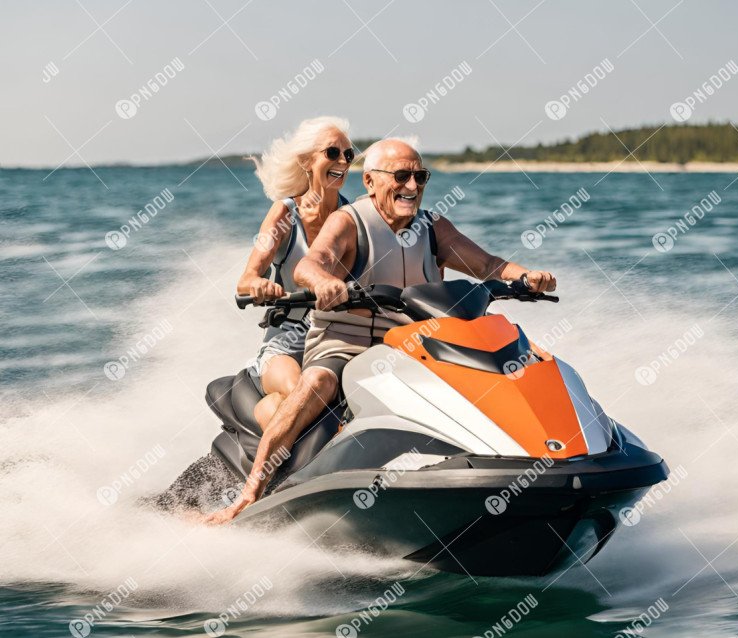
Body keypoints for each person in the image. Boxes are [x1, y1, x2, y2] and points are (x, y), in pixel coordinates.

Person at [203, 138, 556, 524]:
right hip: (347, 341)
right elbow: (310, 265)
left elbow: (486, 262)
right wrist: (323, 282)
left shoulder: (432, 226)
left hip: (411, 341)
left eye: (420, 176)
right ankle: (248, 496)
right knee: (316, 383)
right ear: (370, 182)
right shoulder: (349, 221)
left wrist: (524, 275)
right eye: (401, 176)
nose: (412, 186)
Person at [236, 116, 355, 429]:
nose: (342, 161)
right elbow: (246, 280)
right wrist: (260, 286)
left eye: (348, 154)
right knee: (298, 394)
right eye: (332, 153)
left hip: (338, 340)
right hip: (287, 343)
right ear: (306, 161)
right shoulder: (284, 214)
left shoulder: (354, 218)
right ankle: (268, 416)